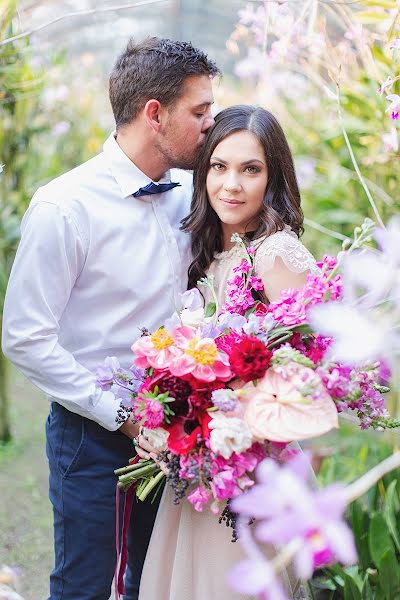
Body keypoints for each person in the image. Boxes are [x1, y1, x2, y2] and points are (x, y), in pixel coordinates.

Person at [2, 37, 219, 600]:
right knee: (86, 584)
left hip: (181, 428)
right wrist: (122, 416)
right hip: (93, 433)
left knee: (157, 581)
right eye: (200, 112)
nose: (210, 124)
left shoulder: (196, 195)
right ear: (154, 113)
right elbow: (25, 338)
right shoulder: (64, 207)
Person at [136, 105, 317, 599]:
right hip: (200, 470)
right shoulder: (210, 251)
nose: (231, 185)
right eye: (219, 166)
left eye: (250, 169)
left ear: (273, 177)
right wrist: (168, 421)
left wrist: (222, 413)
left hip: (253, 471)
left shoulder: (276, 254)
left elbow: (309, 383)